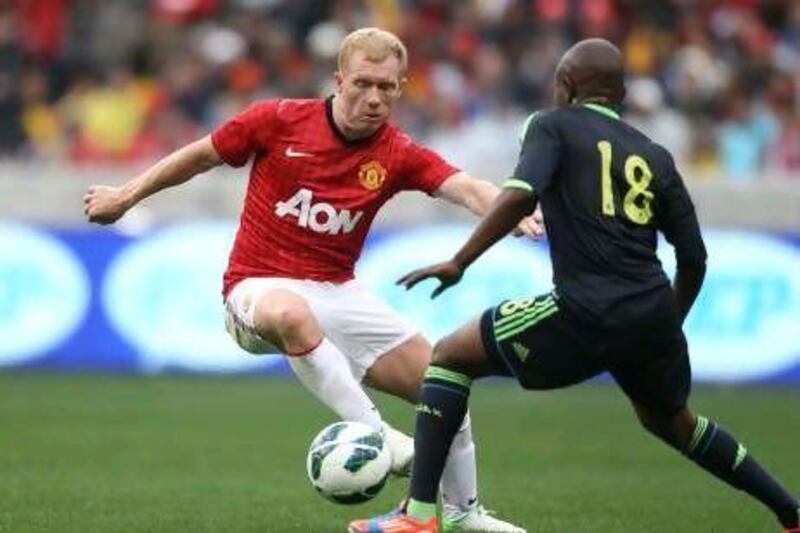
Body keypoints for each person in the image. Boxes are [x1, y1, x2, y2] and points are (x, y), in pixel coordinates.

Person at [84, 27, 534, 532]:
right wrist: (126, 195)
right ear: (338, 80)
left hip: (337, 291)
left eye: (387, 87)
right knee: (291, 313)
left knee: (444, 380)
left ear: (401, 89)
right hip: (255, 289)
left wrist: (503, 208)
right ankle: (376, 436)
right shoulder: (277, 120)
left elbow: (465, 186)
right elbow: (200, 155)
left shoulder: (396, 152)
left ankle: (461, 511)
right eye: (363, 83)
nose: (374, 97)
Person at [350, 38, 800, 533]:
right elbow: (694, 258)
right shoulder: (655, 156)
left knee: (450, 357)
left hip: (586, 308)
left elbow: (520, 196)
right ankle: (790, 510)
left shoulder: (550, 125)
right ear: (621, 93)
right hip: (651, 312)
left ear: (565, 86)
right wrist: (668, 326)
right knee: (675, 423)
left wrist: (460, 260)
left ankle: (419, 517)